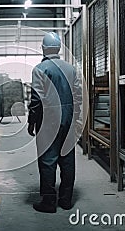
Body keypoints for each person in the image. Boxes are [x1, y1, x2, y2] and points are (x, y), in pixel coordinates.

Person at [28, 32, 81, 213]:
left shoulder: (40, 69)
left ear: (43, 48)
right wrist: (75, 118)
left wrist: (31, 121)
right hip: (68, 119)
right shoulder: (70, 68)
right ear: (59, 48)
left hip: (48, 120)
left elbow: (36, 99)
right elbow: (78, 96)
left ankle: (49, 202)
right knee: (67, 160)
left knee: (48, 160)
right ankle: (66, 200)